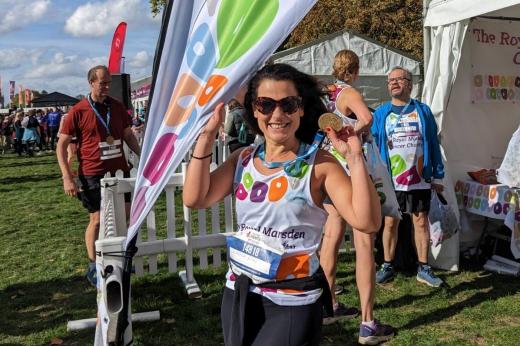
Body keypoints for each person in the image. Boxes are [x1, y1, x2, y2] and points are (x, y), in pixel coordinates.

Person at [183, 63, 381, 346]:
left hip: (292, 300)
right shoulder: (244, 159)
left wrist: (354, 159)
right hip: (239, 292)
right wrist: (206, 137)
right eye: (265, 104)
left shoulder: (319, 164)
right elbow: (195, 198)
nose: (277, 114)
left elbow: (367, 221)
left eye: (288, 104)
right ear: (254, 109)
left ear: (301, 108)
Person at [320, 49, 394, 344]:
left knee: (331, 235)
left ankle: (329, 306)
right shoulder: (349, 92)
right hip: (350, 168)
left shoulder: (328, 94)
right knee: (364, 238)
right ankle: (367, 323)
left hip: (328, 170)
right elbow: (367, 118)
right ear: (355, 69)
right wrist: (353, 132)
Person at [57, 65, 141, 286]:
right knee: (97, 219)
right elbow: (61, 145)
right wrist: (67, 177)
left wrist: (144, 155)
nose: (106, 87)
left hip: (119, 170)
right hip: (92, 173)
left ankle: (120, 259)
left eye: (108, 83)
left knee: (125, 215)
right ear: (91, 83)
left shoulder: (118, 107)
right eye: (102, 83)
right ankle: (94, 264)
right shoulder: (78, 110)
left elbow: (127, 136)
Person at [372, 66, 445, 287]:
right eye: (390, 80)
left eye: (399, 79)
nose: (393, 83)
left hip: (418, 178)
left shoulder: (423, 111)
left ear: (410, 84)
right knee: (391, 222)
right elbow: (374, 145)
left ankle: (423, 267)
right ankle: (387, 265)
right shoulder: (381, 113)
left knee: (420, 221)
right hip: (390, 179)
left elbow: (433, 143)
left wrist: (438, 176)